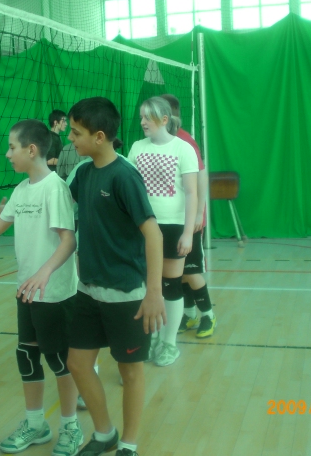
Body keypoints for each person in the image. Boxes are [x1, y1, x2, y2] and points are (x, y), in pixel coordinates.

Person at [0, 119, 83, 456]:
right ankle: (36, 424)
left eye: (12, 147)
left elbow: (69, 241)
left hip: (54, 294)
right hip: (27, 291)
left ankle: (71, 426)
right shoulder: (22, 189)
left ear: (31, 150)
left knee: (60, 361)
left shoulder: (55, 188)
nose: (8, 154)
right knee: (27, 356)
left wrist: (44, 273)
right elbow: (1, 224)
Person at [65, 97, 166, 456]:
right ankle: (104, 433)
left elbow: (153, 234)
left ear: (99, 136)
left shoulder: (124, 175)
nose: (70, 139)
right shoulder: (83, 174)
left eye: (76, 133)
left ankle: (128, 444)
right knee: (77, 363)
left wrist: (153, 293)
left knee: (130, 372)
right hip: (88, 290)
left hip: (126, 295)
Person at [127, 97, 198, 367]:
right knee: (147, 285)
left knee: (170, 285)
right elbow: (129, 185)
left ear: (164, 119)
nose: (143, 122)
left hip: (173, 226)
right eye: (141, 117)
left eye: (148, 117)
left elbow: (191, 193)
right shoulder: (137, 147)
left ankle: (169, 343)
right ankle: (153, 336)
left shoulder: (183, 148)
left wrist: (188, 233)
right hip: (143, 226)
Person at [160, 94, 216, 338]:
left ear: (169, 115)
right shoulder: (161, 141)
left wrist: (198, 215)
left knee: (191, 271)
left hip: (189, 220)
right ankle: (190, 313)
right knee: (178, 272)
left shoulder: (185, 141)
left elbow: (201, 178)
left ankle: (208, 315)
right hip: (171, 221)